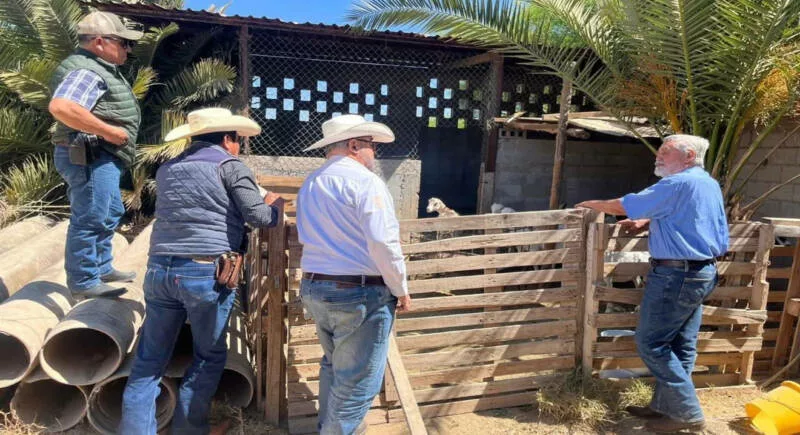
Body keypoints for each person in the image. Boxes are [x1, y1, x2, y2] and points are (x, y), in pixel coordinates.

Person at [120, 108, 283, 434]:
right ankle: (188, 430)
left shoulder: (168, 168)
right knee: (208, 356)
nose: (239, 147)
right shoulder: (229, 165)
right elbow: (259, 216)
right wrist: (276, 205)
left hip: (159, 271)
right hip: (204, 272)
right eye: (238, 141)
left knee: (149, 362)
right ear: (227, 139)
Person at [576, 134, 729, 433]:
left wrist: (587, 204)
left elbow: (623, 205)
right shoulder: (706, 183)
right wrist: (646, 221)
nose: (658, 157)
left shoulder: (677, 183)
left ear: (687, 156)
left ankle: (687, 412)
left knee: (651, 343)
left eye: (666, 152)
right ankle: (665, 408)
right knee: (681, 346)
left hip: (677, 275)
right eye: (659, 152)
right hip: (701, 272)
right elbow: (690, 216)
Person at [296, 114, 412, 434]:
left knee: (335, 368)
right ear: (354, 145)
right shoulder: (366, 182)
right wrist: (400, 287)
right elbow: (382, 241)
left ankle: (329, 427)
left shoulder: (312, 182)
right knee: (358, 383)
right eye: (372, 146)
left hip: (316, 287)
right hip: (359, 292)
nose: (374, 153)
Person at [49, 11, 144, 298]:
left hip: (101, 157)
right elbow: (62, 107)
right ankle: (84, 281)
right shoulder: (86, 71)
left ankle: (102, 267)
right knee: (91, 216)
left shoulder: (98, 67)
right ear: (101, 42)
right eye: (124, 43)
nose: (128, 49)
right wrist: (109, 132)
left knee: (110, 211)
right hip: (91, 156)